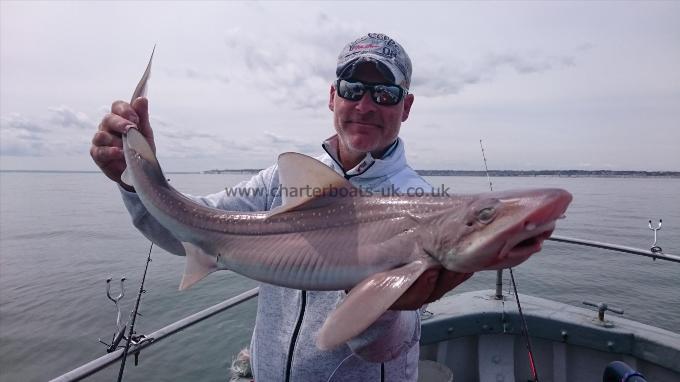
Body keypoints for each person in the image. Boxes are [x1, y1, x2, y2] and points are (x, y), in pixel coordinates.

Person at [90, 33, 473, 382]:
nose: (365, 104)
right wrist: (137, 179)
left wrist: (385, 306)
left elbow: (385, 349)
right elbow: (187, 230)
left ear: (405, 106)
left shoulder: (425, 206)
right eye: (353, 88)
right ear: (332, 96)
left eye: (385, 93)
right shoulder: (283, 179)